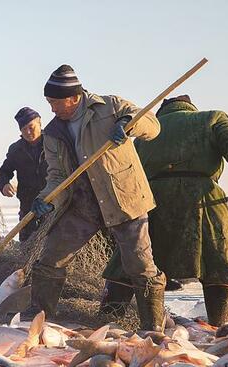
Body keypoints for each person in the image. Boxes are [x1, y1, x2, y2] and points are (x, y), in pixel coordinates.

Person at [102, 95, 228, 326]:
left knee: (133, 259)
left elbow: (126, 171)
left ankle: (109, 318)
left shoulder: (145, 133)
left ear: (164, 111)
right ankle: (220, 325)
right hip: (203, 200)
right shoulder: (211, 118)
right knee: (219, 262)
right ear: (190, 108)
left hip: (152, 202)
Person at [26, 65, 167, 331]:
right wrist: (46, 198)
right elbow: (57, 176)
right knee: (51, 257)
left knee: (139, 264)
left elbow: (153, 126)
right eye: (49, 103)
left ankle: (153, 329)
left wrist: (129, 124)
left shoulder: (111, 106)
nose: (52, 109)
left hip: (123, 198)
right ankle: (40, 321)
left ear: (74, 97)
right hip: (82, 203)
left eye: (55, 102)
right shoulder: (53, 133)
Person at [0, 107, 47, 242]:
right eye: (23, 129)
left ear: (39, 123)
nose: (28, 132)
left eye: (31, 127)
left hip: (53, 203)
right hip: (28, 207)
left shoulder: (53, 143)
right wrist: (4, 184)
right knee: (26, 247)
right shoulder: (16, 149)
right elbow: (4, 172)